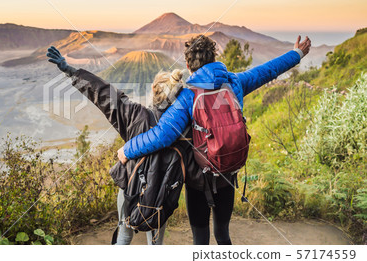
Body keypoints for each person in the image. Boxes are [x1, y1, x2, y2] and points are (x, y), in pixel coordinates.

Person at [117, 34, 312, 245]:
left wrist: (127, 150)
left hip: (198, 180)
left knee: (200, 238)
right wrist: (297, 53)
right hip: (228, 173)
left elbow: (163, 135)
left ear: (188, 65)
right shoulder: (234, 82)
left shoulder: (188, 95)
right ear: (213, 58)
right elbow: (268, 71)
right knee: (222, 234)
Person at [46, 46, 193, 245]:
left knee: (124, 236)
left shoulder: (135, 115)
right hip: (161, 197)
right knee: (155, 244)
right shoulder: (183, 127)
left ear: (155, 92)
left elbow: (103, 92)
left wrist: (71, 70)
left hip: (130, 189)